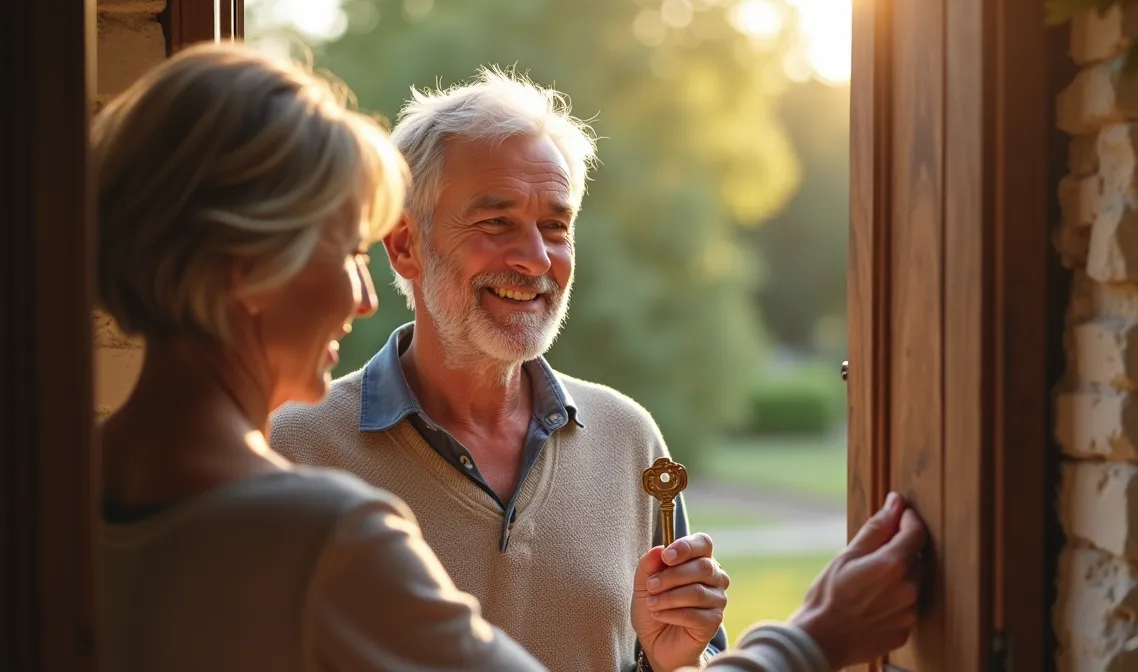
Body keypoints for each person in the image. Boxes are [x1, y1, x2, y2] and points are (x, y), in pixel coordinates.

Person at [95, 41, 926, 672]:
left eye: (556, 224)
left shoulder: (59, 500)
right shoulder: (319, 528)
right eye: (344, 250)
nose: (358, 293)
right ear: (249, 268)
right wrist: (817, 636)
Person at [270, 69, 738, 672]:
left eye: (556, 226)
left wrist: (672, 662)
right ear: (406, 245)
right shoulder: (295, 446)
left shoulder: (630, 439)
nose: (536, 259)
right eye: (496, 223)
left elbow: (681, 660)